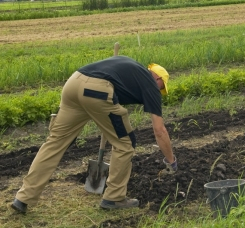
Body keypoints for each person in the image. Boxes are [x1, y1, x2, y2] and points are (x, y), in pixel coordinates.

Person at [11, 57, 177, 214]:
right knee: (125, 143)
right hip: (97, 92)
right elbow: (159, 130)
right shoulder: (150, 84)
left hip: (73, 84)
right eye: (162, 86)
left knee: (55, 142)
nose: (160, 90)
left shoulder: (130, 67)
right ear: (157, 77)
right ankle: (114, 198)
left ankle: (23, 197)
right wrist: (171, 160)